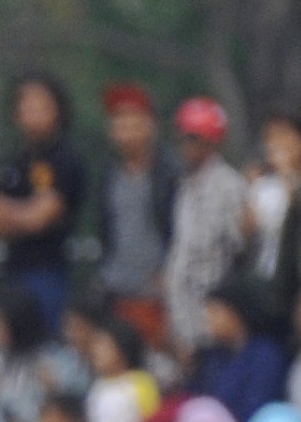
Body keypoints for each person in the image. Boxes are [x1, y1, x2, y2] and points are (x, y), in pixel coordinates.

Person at [0, 73, 89, 330]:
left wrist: (15, 214)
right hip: (10, 270)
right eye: (25, 105)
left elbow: (40, 218)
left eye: (40, 105)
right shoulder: (13, 160)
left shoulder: (67, 159)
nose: (31, 112)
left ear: (57, 110)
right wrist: (24, 212)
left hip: (47, 272)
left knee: (44, 347)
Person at [163, 99, 247, 361]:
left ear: (212, 141)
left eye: (195, 138)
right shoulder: (185, 185)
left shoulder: (230, 185)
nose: (187, 145)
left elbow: (238, 250)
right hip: (182, 317)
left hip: (212, 315)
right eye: (185, 137)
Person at [95, 85, 177, 347]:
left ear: (150, 125)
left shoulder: (170, 174)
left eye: (132, 122)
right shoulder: (110, 176)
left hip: (155, 292)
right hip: (116, 289)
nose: (125, 131)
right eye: (118, 123)